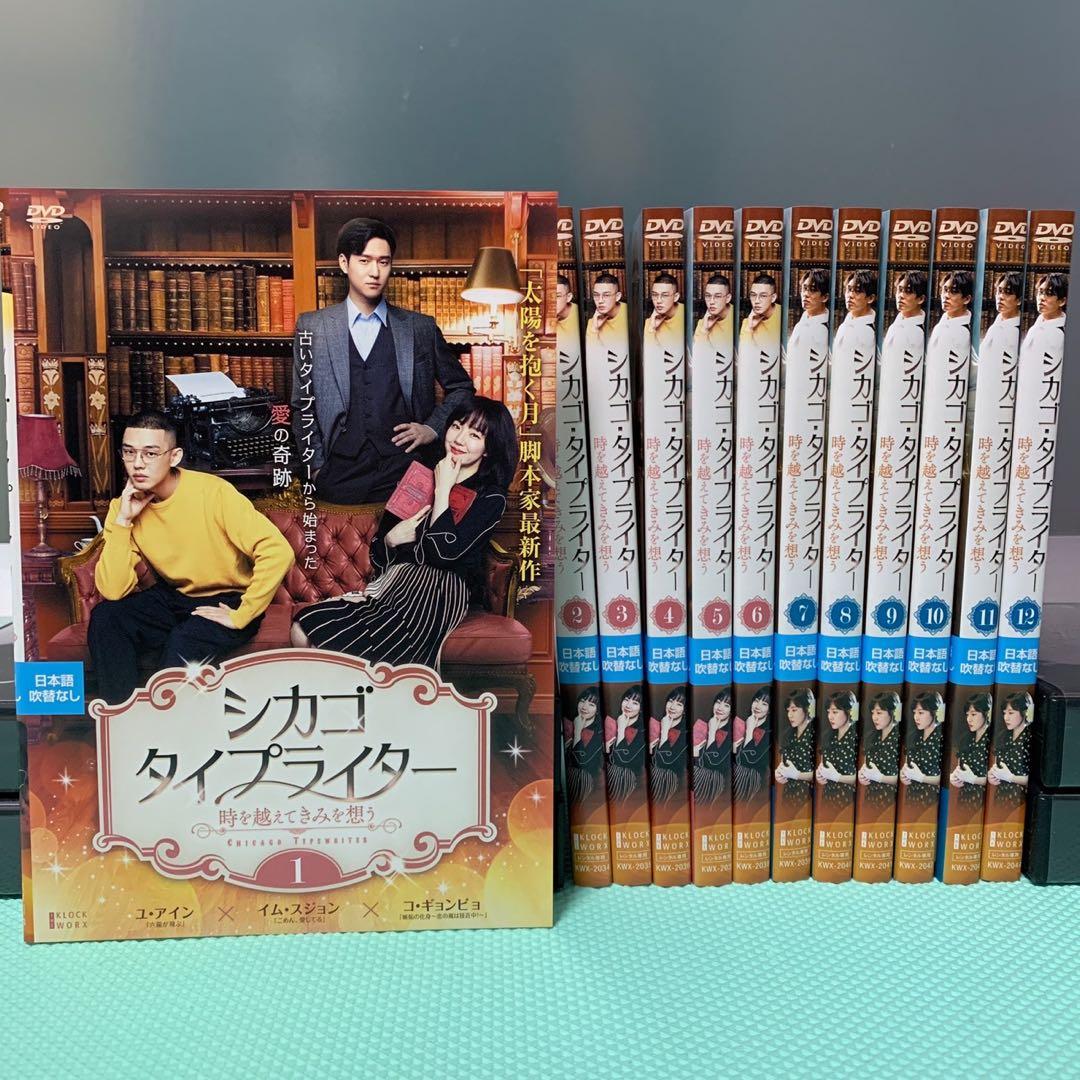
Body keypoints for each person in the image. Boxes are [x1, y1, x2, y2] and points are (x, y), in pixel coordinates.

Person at [290, 396, 516, 670]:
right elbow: (378, 553)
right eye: (457, 427)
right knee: (301, 629)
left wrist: (443, 489)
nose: (459, 439)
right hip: (397, 584)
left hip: (439, 592)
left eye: (474, 435)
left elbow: (443, 554)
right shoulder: (420, 476)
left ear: (488, 449)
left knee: (332, 650)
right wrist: (390, 539)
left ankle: (368, 691)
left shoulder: (490, 497)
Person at [88, 411, 294, 705]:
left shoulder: (213, 492)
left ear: (174, 457)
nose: (138, 463)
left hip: (229, 598)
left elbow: (277, 551)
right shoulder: (123, 507)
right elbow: (113, 590)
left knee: (184, 639)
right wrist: (123, 522)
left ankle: (165, 722)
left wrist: (242, 614)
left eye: (150, 453)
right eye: (129, 452)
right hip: (174, 596)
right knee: (107, 617)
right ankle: (120, 716)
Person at [291, 216, 476, 505]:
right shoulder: (313, 327)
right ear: (344, 263)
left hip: (406, 469)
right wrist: (315, 468)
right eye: (364, 261)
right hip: (339, 472)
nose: (375, 272)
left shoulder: (419, 328)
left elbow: (462, 388)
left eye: (383, 262)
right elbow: (302, 404)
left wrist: (431, 428)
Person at [987, 691, 1034, 808]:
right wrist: (992, 775)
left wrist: (1011, 778)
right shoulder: (1003, 736)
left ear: (1024, 712)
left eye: (1011, 713)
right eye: (1004, 713)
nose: (1006, 718)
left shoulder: (1030, 737)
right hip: (1001, 797)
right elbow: (996, 764)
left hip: (1020, 800)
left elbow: (1035, 779)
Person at [899, 690, 944, 805]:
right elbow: (907, 765)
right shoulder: (914, 736)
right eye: (915, 713)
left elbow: (946, 777)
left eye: (921, 712)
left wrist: (922, 778)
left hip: (932, 801)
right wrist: (903, 774)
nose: (916, 717)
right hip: (911, 798)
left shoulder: (941, 737)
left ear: (934, 712)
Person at [1019, 273, 1068, 375]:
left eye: (1049, 294)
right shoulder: (1036, 326)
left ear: (1062, 301)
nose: (1041, 297)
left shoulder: (1061, 333)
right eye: (1040, 292)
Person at [563, 686, 604, 807]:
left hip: (588, 776)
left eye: (591, 704)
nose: (584, 707)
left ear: (597, 709)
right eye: (582, 701)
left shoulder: (599, 730)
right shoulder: (568, 722)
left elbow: (581, 763)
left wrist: (577, 733)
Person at [858, 691, 901, 805]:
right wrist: (862, 775)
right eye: (873, 713)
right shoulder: (872, 737)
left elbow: (905, 776)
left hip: (891, 801)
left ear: (892, 712)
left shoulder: (899, 738)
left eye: (879, 713)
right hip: (871, 798)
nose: (874, 718)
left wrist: (881, 778)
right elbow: (867, 765)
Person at [951, 691, 991, 808]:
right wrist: (955, 777)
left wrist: (974, 779)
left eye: (973, 714)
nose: (969, 719)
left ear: (986, 713)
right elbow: (960, 767)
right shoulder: (966, 739)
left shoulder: (993, 739)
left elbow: (998, 777)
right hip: (965, 799)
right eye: (967, 715)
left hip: (984, 801)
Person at [605, 685, 645, 803]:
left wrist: (621, 730)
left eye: (635, 703)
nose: (628, 705)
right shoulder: (609, 723)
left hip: (631, 782)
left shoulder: (643, 730)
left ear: (641, 708)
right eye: (626, 700)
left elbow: (623, 760)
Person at [817, 690, 858, 806]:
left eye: (835, 712)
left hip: (848, 801)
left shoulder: (855, 737)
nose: (830, 717)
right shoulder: (829, 736)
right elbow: (823, 764)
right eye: (828, 712)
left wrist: (838, 777)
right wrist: (820, 775)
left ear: (848, 711)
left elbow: (862, 776)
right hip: (828, 798)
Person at [775, 687, 815, 803]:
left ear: (806, 708)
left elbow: (823, 773)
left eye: (794, 710)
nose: (790, 715)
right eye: (788, 710)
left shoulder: (814, 733)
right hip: (789, 795)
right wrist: (779, 773)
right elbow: (783, 762)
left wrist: (798, 775)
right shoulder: (788, 735)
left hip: (809, 796)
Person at [692, 688, 732, 805]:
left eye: (726, 705)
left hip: (717, 783)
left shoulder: (733, 731)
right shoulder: (701, 726)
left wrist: (712, 734)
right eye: (718, 702)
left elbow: (713, 763)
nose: (720, 708)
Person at [648, 686, 688, 804]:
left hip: (675, 787)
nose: (672, 707)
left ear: (685, 710)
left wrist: (664, 732)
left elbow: (665, 762)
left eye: (679, 704)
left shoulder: (686, 731)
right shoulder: (653, 725)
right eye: (670, 701)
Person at [833, 269, 878, 369]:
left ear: (870, 298)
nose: (850, 295)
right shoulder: (846, 323)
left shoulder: (869, 332)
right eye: (849, 289)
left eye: (857, 291)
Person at [733, 687, 770, 804]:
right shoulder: (740, 723)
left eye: (764, 704)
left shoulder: (768, 731)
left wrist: (749, 731)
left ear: (769, 710)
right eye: (756, 701)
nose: (758, 706)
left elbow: (748, 760)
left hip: (753, 777)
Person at [787, 268, 830, 360]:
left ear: (825, 297)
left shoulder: (823, 330)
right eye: (804, 288)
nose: (806, 294)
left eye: (813, 290)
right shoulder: (804, 319)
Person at [585, 271, 628, 347]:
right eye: (596, 295)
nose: (600, 301)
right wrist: (594, 330)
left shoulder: (630, 313)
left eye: (606, 295)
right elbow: (592, 352)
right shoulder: (593, 321)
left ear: (617, 297)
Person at [739, 272, 781, 348]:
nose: (757, 301)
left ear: (773, 298)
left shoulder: (783, 315)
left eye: (763, 296)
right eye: (753, 295)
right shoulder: (748, 322)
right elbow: (744, 352)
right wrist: (749, 329)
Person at [694, 273, 733, 349]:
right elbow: (697, 353)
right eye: (708, 296)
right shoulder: (703, 323)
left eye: (717, 296)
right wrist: (704, 330)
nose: (711, 302)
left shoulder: (738, 318)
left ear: (728, 298)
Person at [644, 272, 684, 342]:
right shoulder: (650, 322)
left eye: (665, 295)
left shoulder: (686, 314)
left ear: (676, 297)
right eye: (655, 295)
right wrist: (652, 329)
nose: (658, 301)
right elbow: (648, 348)